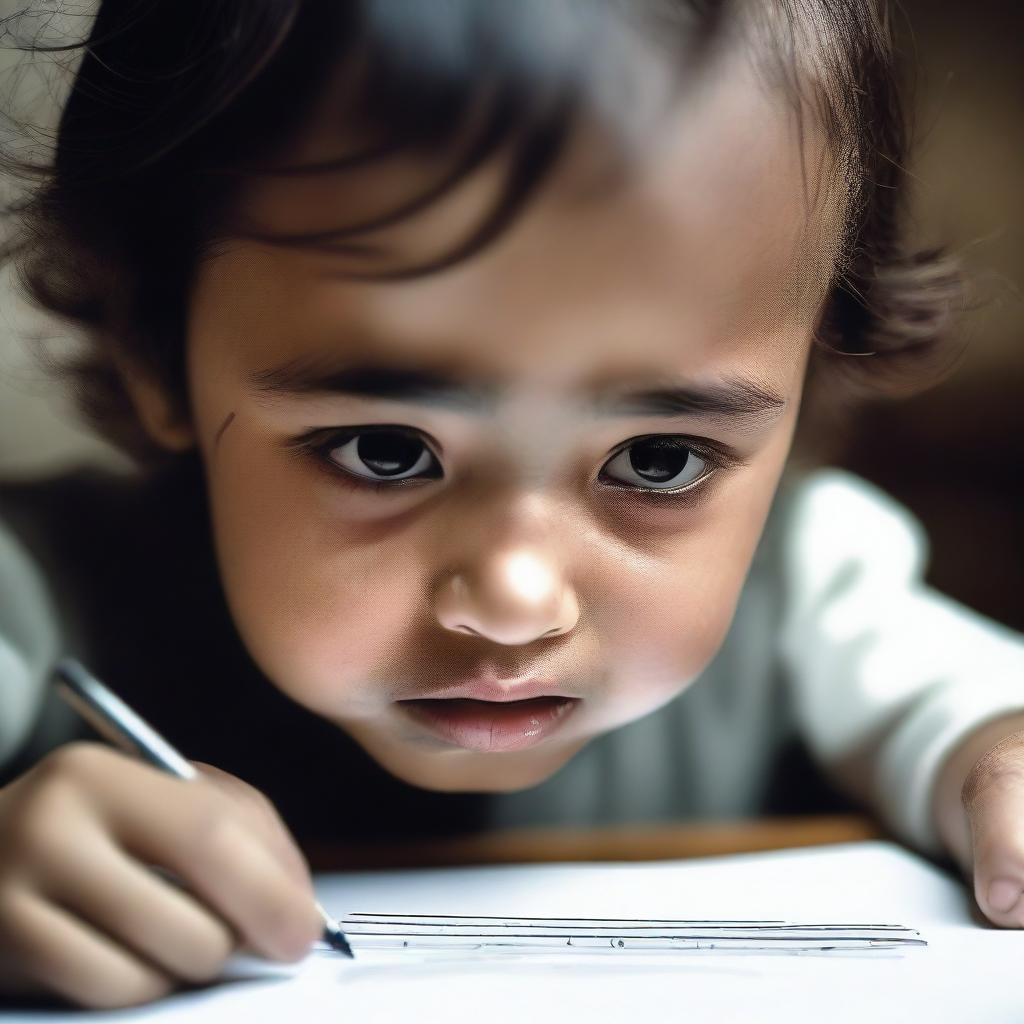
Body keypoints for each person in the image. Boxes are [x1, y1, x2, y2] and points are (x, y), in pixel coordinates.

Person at [1, 0, 1023, 1009]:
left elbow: (982, 725)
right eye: (387, 451)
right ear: (157, 351)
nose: (514, 602)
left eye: (659, 459)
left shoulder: (807, 588)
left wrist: (996, 761)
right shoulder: (35, 598)